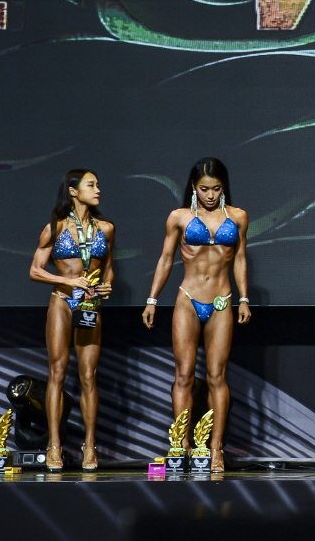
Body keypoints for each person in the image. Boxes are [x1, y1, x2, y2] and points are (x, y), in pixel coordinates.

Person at [142, 157, 252, 472]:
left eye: (216, 189)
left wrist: (244, 298)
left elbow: (240, 258)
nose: (210, 195)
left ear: (223, 187)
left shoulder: (238, 217)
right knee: (184, 375)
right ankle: (182, 444)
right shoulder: (179, 217)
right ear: (194, 186)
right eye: (204, 189)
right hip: (188, 300)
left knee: (217, 376)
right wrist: (152, 299)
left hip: (221, 300)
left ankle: (216, 449)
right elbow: (166, 258)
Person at [27, 169, 115, 471]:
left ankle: (90, 445)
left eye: (98, 184)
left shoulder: (106, 228)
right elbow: (35, 270)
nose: (98, 189)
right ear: (74, 191)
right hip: (62, 302)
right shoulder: (55, 228)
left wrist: (107, 284)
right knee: (57, 372)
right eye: (91, 185)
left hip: (90, 304)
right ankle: (54, 444)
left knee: (89, 376)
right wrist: (68, 281)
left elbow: (108, 267)